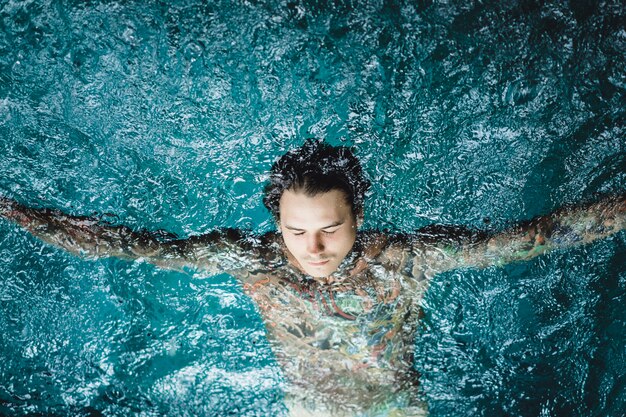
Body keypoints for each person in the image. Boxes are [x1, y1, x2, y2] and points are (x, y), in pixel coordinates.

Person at [1, 139, 624, 417]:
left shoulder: (407, 258)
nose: (313, 248)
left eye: (330, 228)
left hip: (395, 410)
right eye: (296, 232)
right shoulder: (253, 260)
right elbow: (132, 247)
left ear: (359, 213)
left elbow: (536, 237)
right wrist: (20, 216)